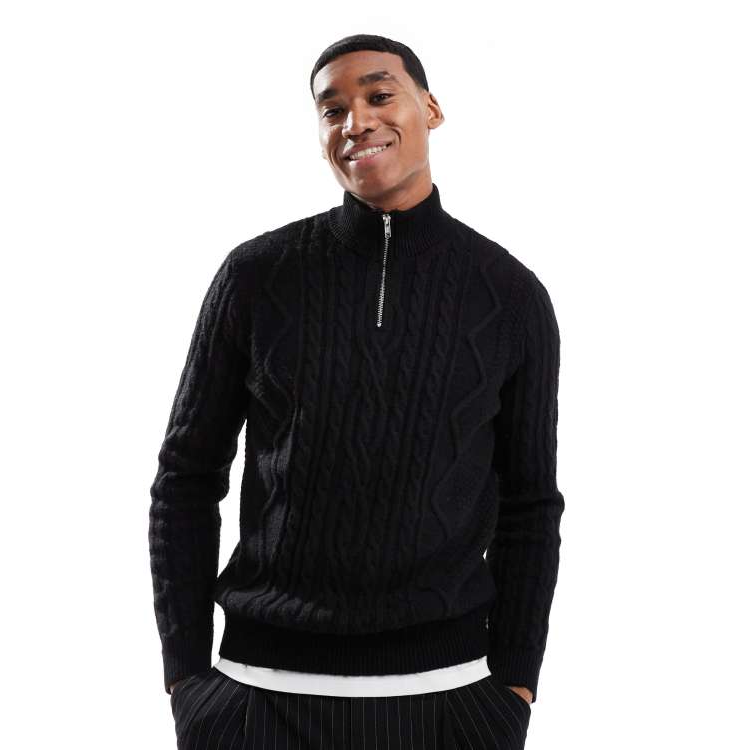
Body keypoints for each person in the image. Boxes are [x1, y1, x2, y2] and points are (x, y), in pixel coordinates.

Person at [149, 33, 565, 749]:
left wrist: (515, 687)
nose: (356, 122)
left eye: (379, 95)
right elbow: (186, 477)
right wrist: (186, 676)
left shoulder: (510, 295)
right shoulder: (256, 276)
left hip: (449, 702)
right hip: (256, 698)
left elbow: (530, 503)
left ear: (430, 109)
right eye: (332, 109)